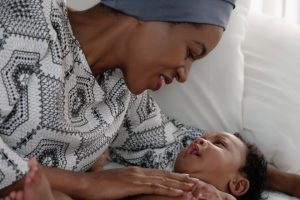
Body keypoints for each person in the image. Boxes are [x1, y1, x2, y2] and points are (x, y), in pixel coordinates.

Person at [0, 0, 300, 199]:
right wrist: (85, 184)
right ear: (154, 9)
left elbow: (181, 149)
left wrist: (284, 182)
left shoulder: (123, 95)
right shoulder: (27, 15)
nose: (184, 74)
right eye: (191, 52)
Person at [3, 131, 267, 200]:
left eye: (219, 144)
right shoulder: (156, 178)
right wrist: (95, 172)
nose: (200, 139)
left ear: (238, 184)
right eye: (203, 137)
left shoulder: (210, 195)